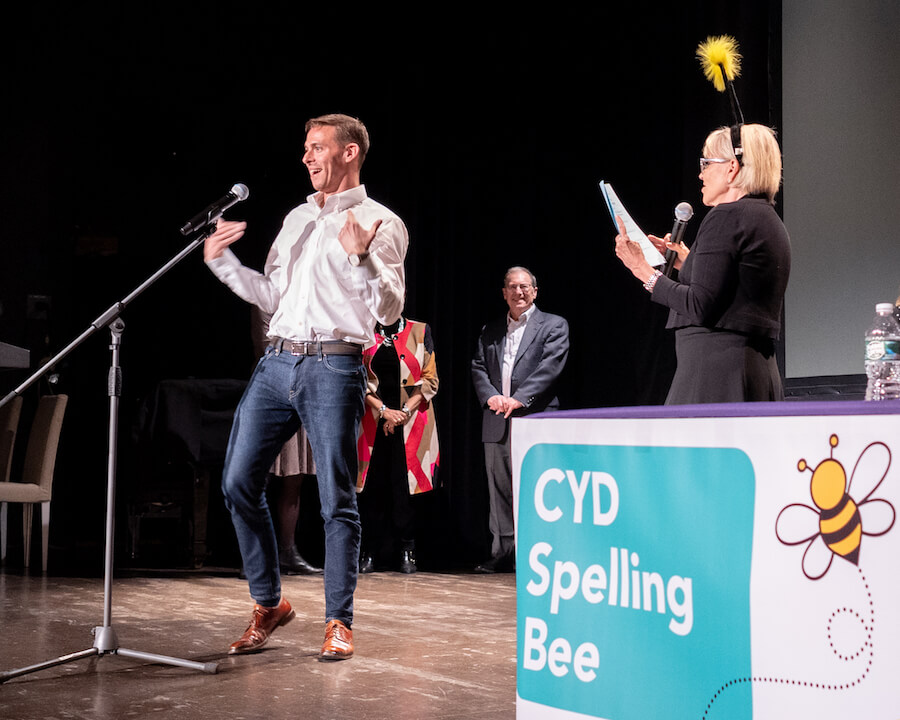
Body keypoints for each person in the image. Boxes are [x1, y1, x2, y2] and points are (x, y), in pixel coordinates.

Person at [203, 113, 408, 661]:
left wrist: (362, 255)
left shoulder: (381, 221)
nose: (307, 156)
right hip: (277, 362)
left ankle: (339, 620)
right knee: (238, 482)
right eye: (305, 147)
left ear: (349, 152)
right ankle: (269, 603)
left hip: (335, 366)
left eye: (317, 147)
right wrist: (223, 264)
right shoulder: (296, 218)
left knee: (336, 498)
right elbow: (273, 297)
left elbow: (390, 311)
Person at [614, 123, 791, 404]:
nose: (700, 173)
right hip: (752, 371)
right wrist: (688, 262)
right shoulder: (767, 218)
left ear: (731, 168)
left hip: (716, 375)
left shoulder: (726, 216)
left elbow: (699, 305)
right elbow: (735, 288)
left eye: (707, 163)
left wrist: (642, 270)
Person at [471, 267, 569, 573]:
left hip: (534, 419)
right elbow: (478, 367)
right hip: (497, 419)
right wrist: (491, 397)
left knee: (534, 489)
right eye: (513, 287)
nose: (519, 292)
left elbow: (550, 367)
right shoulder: (490, 330)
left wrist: (520, 398)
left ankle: (536, 554)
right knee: (499, 490)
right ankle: (503, 553)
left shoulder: (553, 325)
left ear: (535, 291)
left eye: (525, 287)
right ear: (504, 293)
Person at [356, 316, 439, 574]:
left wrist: (402, 413)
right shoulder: (363, 331)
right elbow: (356, 379)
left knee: (405, 487)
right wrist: (383, 411)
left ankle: (407, 549)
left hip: (411, 421)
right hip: (372, 421)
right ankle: (369, 551)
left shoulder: (420, 331)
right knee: (372, 486)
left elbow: (430, 380)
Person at [250, 305, 322, 577]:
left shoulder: (305, 295)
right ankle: (255, 557)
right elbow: (266, 348)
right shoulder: (265, 299)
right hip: (271, 392)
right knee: (259, 479)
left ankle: (287, 552)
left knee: (294, 477)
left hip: (303, 392)